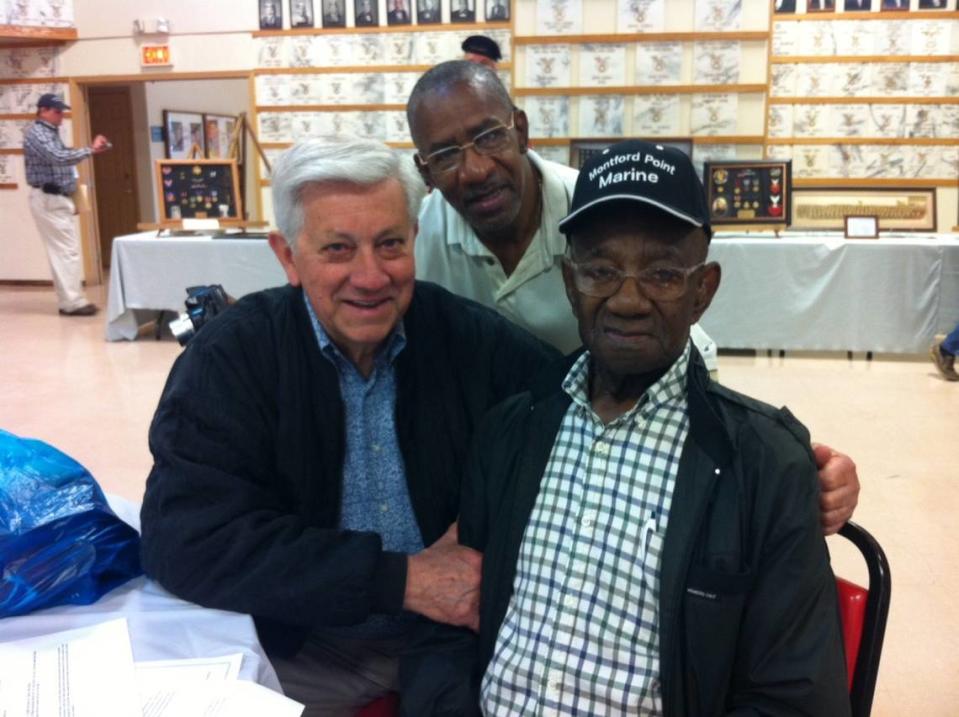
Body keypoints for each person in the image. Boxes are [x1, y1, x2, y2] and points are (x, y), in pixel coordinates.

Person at [139, 137, 558, 716]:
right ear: (287, 256)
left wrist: (493, 522)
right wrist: (400, 579)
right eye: (338, 249)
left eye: (390, 244)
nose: (370, 277)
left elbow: (570, 422)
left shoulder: (471, 339)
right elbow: (184, 540)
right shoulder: (231, 357)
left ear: (415, 239)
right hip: (303, 645)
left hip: (459, 643)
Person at [459, 140, 852, 715]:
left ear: (703, 291)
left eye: (664, 273)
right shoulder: (510, 433)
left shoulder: (765, 465)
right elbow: (448, 629)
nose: (627, 300)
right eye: (600, 269)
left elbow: (795, 697)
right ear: (570, 283)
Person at [406, 61, 860, 533]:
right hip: (487, 450)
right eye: (445, 155)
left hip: (594, 433)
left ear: (521, 130)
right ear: (426, 171)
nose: (475, 169)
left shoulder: (593, 212)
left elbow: (675, 335)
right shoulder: (413, 241)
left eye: (489, 137)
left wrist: (766, 457)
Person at [22, 93, 110, 317]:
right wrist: (91, 150)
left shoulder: (51, 132)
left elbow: (63, 155)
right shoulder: (36, 133)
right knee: (66, 252)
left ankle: (69, 300)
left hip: (58, 198)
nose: (61, 116)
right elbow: (58, 157)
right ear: (43, 110)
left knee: (64, 251)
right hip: (48, 198)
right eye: (57, 111)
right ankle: (73, 302)